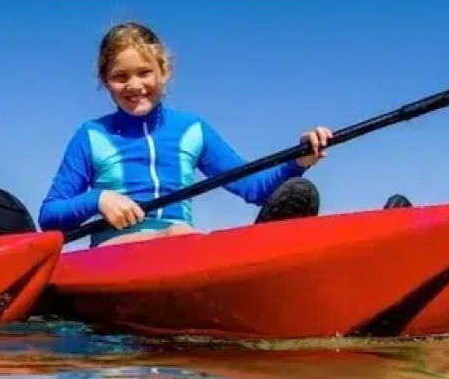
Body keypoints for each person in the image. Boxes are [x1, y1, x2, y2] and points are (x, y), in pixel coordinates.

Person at [38, 21, 409, 246]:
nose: (134, 85)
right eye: (121, 77)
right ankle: (271, 259)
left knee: (292, 194)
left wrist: (299, 159)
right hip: (116, 255)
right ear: (105, 82)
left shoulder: (191, 130)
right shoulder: (91, 136)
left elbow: (254, 187)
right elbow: (50, 215)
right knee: (180, 239)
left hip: (180, 248)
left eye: (144, 73)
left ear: (164, 71)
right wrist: (98, 200)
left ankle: (371, 246)